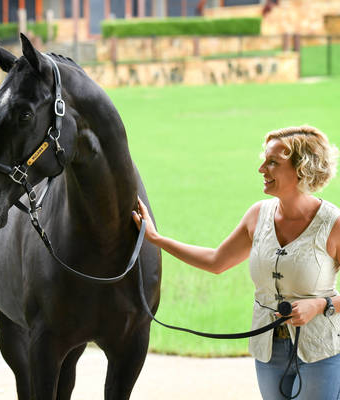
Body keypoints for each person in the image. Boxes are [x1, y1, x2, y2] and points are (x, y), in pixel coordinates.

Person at [132, 125, 340, 400]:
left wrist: (320, 305)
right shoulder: (257, 216)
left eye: (273, 162)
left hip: (321, 352)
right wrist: (156, 239)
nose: (262, 169)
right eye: (264, 160)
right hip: (269, 351)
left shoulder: (332, 224)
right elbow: (216, 261)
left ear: (302, 169)